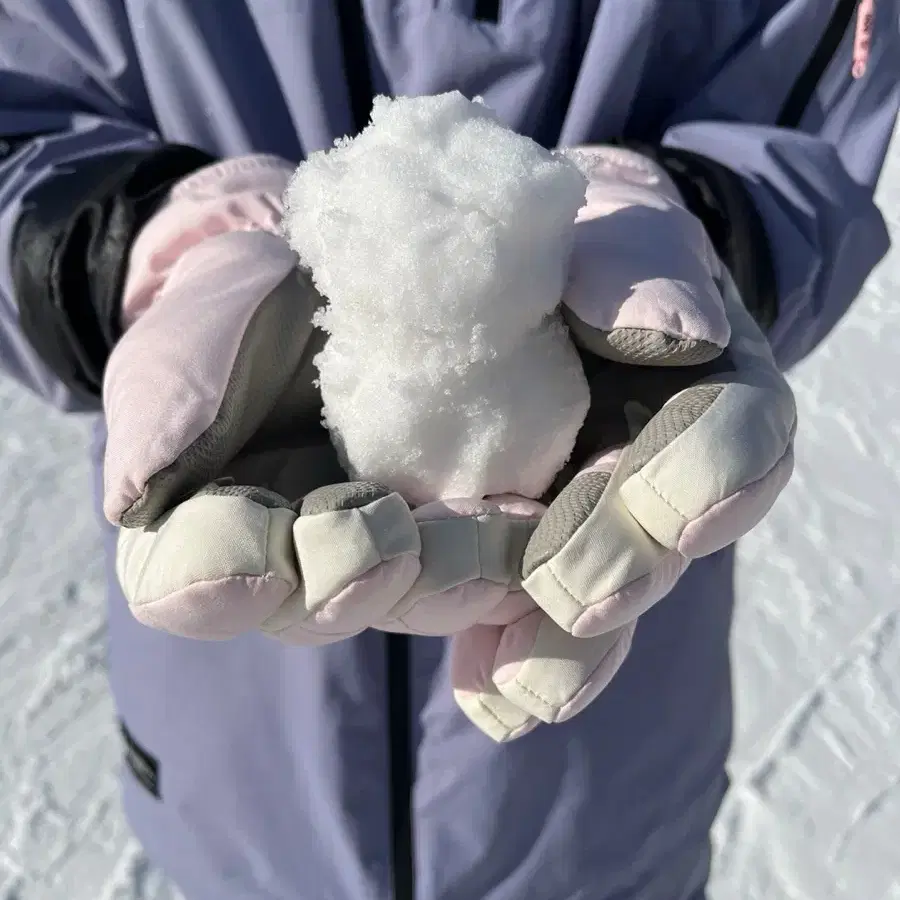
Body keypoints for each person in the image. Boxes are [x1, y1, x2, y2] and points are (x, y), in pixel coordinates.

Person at [0, 2, 897, 899]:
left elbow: (805, 116)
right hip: (239, 775)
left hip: (602, 791)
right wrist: (140, 250)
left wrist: (697, 227)